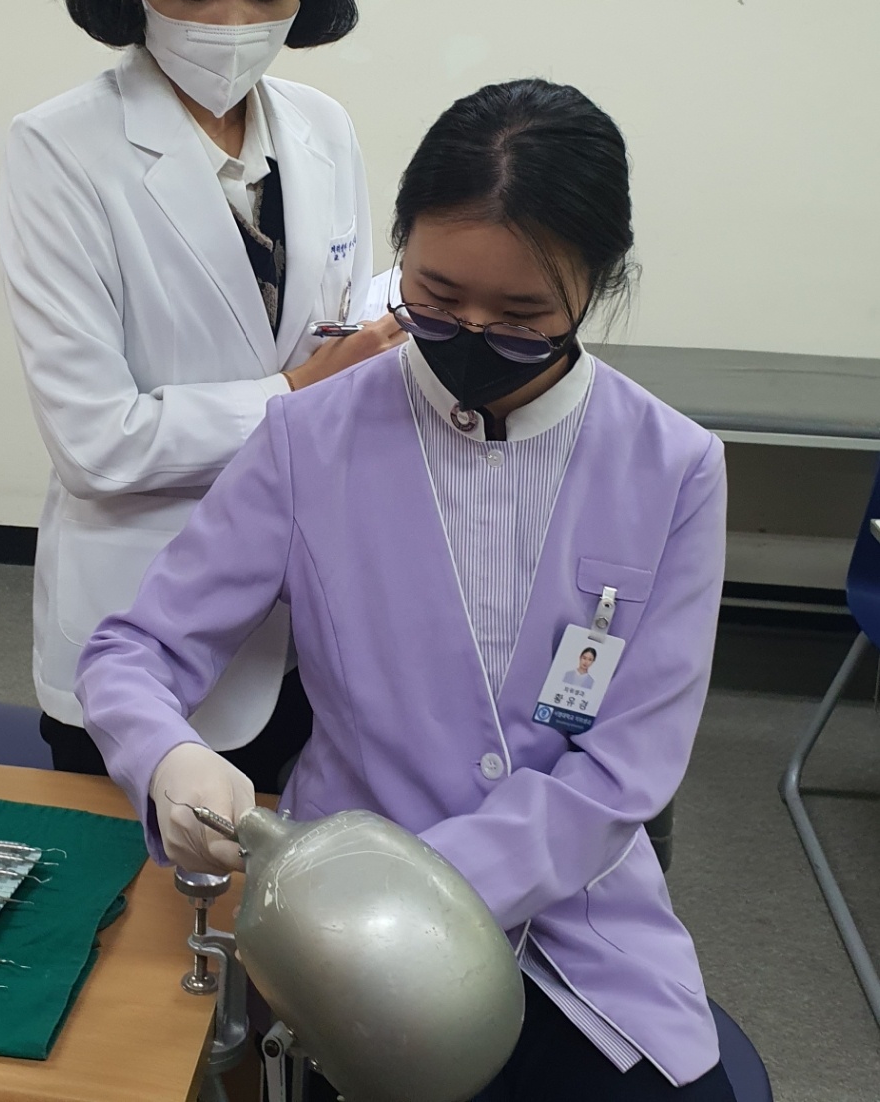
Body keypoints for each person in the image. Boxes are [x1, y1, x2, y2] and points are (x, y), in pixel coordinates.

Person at [77, 79, 735, 1099]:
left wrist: (429, 884)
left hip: (572, 926)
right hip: (341, 936)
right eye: (434, 297)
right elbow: (132, 651)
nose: (470, 334)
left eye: (521, 317)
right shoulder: (311, 437)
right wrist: (166, 755)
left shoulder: (671, 466)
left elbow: (625, 769)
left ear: (598, 285)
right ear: (399, 253)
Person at [0, 0, 403, 787]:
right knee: (138, 882)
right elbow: (99, 443)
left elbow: (340, 327)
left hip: (309, 622)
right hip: (145, 629)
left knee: (301, 868)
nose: (231, 24)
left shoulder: (322, 128)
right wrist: (302, 392)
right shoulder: (59, 150)